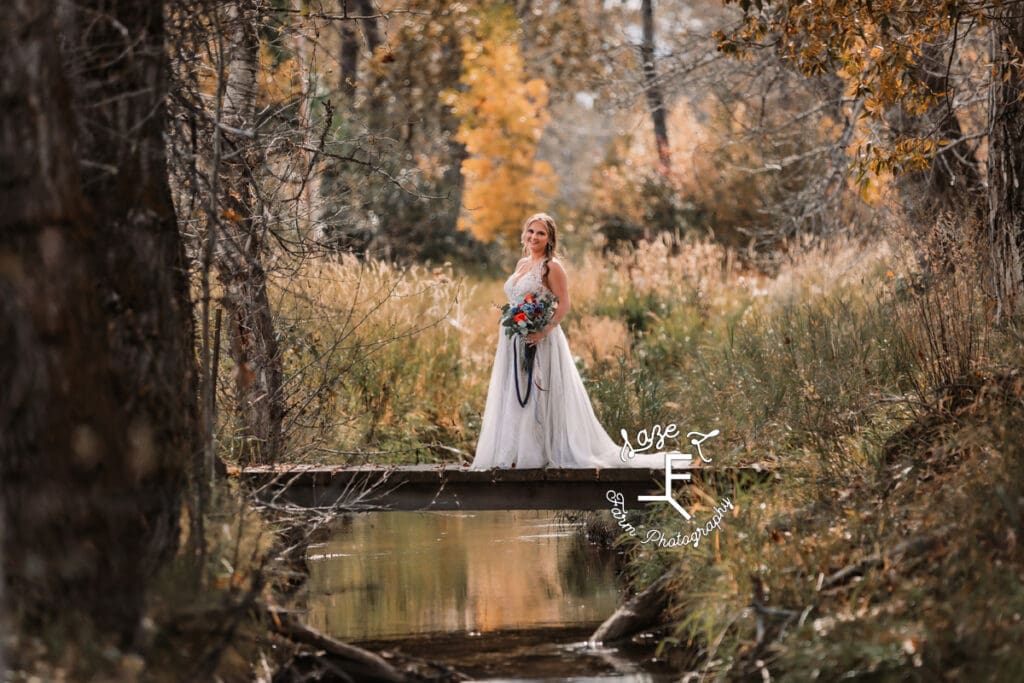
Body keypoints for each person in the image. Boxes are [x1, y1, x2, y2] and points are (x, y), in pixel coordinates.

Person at [471, 213, 655, 469]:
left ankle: (540, 453)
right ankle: (514, 452)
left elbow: (564, 304)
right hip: (513, 340)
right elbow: (516, 300)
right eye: (531, 231)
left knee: (539, 392)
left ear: (549, 239)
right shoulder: (522, 263)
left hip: (541, 340)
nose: (534, 237)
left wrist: (539, 332)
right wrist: (517, 324)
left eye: (541, 233)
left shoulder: (552, 267)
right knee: (514, 390)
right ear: (525, 234)